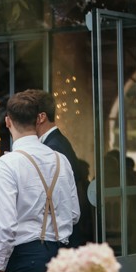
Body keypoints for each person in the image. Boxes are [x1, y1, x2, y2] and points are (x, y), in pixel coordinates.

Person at [0, 90, 80, 272]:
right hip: (60, 254)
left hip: (25, 257)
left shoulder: (7, 164)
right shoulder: (61, 159)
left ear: (8, 121)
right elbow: (74, 214)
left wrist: (0, 264)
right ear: (38, 119)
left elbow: (5, 226)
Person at [37, 90, 94, 248]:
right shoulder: (53, 142)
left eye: (30, 117)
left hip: (62, 234)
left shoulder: (54, 146)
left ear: (41, 117)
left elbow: (58, 196)